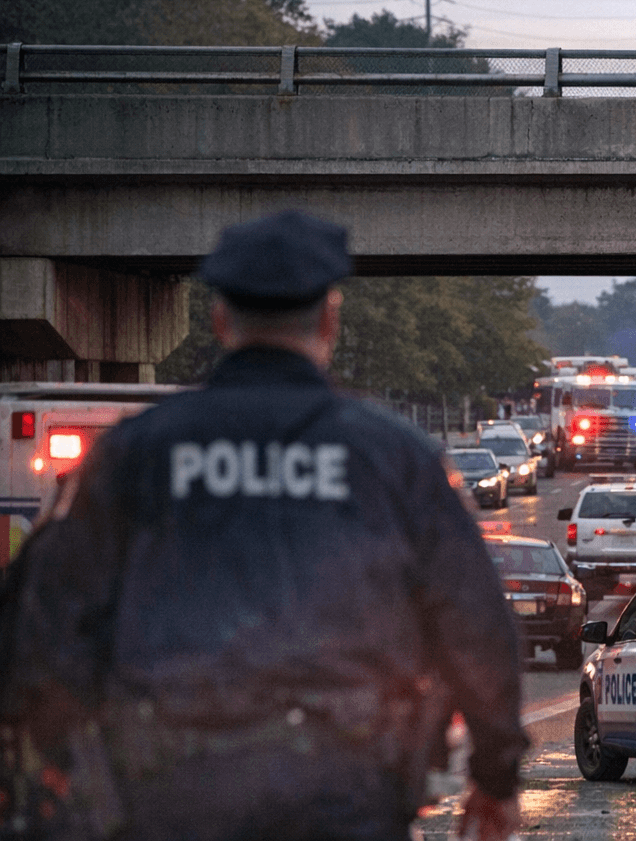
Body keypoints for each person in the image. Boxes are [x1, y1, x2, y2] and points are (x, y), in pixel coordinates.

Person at [0, 211, 527, 841]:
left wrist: (57, 770)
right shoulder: (395, 460)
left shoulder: (134, 454)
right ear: (330, 320)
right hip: (348, 792)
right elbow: (477, 626)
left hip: (168, 794)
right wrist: (496, 776)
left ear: (220, 321)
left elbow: (45, 622)